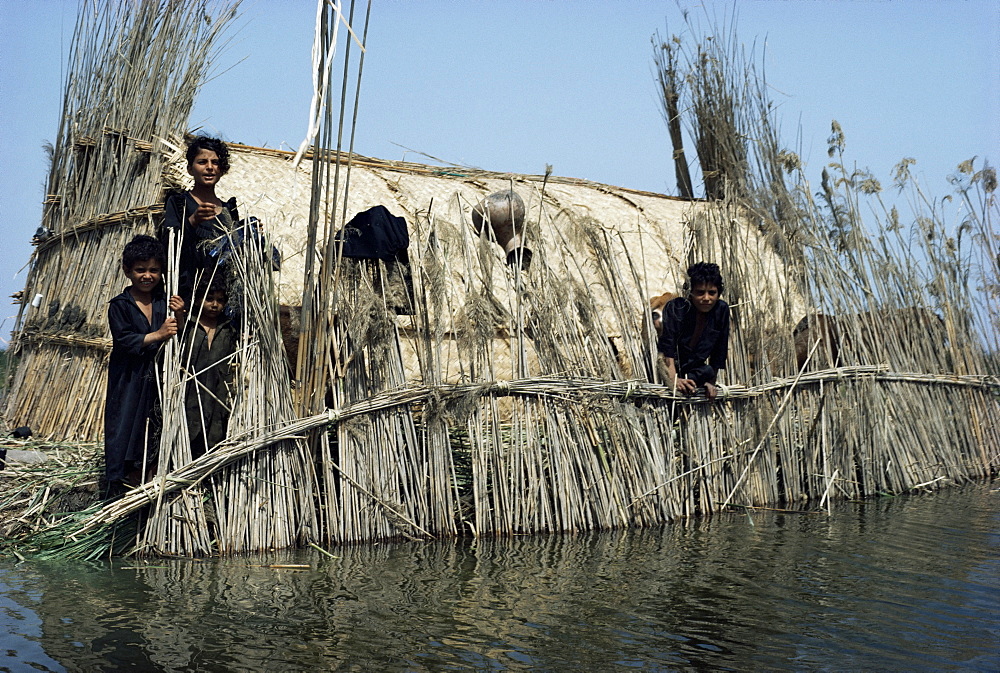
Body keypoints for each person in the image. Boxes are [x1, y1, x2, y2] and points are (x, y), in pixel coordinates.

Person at [105, 235, 185, 495]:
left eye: (154, 270)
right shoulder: (120, 305)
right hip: (129, 379)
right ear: (127, 271)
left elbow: (178, 333)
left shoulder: (164, 303)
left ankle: (150, 477)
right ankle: (120, 483)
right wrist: (157, 335)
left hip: (158, 377)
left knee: (153, 427)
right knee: (125, 426)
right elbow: (125, 340)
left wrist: (180, 314)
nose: (147, 276)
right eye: (140, 270)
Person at [163, 135, 240, 297]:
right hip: (188, 295)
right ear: (190, 169)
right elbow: (168, 247)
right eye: (202, 162)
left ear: (222, 169)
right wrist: (192, 221)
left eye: (216, 162)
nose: (210, 167)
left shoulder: (229, 210)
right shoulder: (178, 203)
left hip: (219, 298)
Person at [180, 278, 237, 458]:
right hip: (189, 389)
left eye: (220, 301)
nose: (214, 305)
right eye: (209, 299)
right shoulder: (188, 325)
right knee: (188, 428)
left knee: (214, 433)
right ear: (197, 300)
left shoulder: (229, 329)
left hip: (217, 391)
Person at [656, 262, 730, 400]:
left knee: (706, 371)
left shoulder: (721, 310)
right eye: (700, 293)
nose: (706, 298)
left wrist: (710, 382)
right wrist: (674, 380)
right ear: (690, 293)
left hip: (695, 370)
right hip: (670, 368)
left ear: (718, 293)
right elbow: (668, 349)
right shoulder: (677, 308)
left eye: (712, 293)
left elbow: (719, 350)